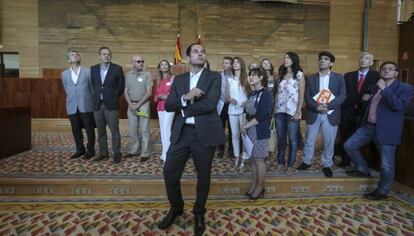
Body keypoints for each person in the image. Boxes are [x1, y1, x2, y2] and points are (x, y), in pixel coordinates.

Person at [157, 43, 225, 236]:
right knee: (169, 172)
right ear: (188, 57)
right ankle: (176, 207)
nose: (200, 54)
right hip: (182, 133)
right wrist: (186, 97)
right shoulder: (179, 80)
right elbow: (169, 105)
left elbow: (210, 104)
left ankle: (199, 212)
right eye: (196, 51)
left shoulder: (214, 77)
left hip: (204, 134)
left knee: (203, 177)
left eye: (203, 51)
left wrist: (183, 108)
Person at [344, 61, 413, 200]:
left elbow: (398, 106)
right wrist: (365, 100)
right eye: (384, 69)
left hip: (387, 130)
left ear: (396, 73)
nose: (386, 71)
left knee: (386, 164)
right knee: (349, 145)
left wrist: (385, 89)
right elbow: (371, 105)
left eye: (390, 69)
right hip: (369, 127)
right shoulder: (374, 87)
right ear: (380, 72)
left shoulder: (405, 88)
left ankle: (382, 191)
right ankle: (362, 169)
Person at [298, 51, 346, 178]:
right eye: (320, 59)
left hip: (331, 113)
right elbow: (307, 96)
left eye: (325, 59)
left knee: (329, 141)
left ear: (331, 63)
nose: (322, 61)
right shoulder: (312, 78)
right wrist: (316, 107)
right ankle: (306, 161)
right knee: (309, 139)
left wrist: (328, 106)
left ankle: (327, 164)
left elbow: (342, 95)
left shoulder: (339, 77)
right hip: (314, 112)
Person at [336, 52, 379, 167]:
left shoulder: (376, 76)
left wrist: (367, 97)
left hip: (364, 113)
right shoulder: (348, 75)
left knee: (359, 138)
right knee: (344, 136)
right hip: (347, 111)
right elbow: (344, 93)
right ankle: (345, 161)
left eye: (366, 58)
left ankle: (362, 163)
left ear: (371, 62)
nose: (363, 60)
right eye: (361, 58)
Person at [91, 47, 125, 164]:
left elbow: (121, 87)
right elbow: (93, 86)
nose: (106, 56)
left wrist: (113, 97)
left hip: (111, 105)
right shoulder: (93, 69)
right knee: (100, 131)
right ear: (99, 56)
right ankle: (103, 153)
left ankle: (117, 153)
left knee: (114, 131)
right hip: (97, 105)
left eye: (108, 54)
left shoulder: (117, 69)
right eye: (104, 54)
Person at [241, 68, 272, 200]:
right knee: (253, 159)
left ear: (261, 77)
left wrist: (246, 125)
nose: (251, 78)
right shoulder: (252, 93)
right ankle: (254, 184)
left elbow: (262, 114)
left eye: (254, 76)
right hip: (250, 129)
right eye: (250, 75)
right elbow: (247, 111)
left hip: (259, 129)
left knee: (259, 159)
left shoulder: (266, 93)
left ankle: (260, 187)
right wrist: (245, 125)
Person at [274, 52, 305, 176]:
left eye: (288, 57)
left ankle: (290, 165)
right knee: (281, 138)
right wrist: (273, 111)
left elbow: (301, 94)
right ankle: (280, 162)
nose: (285, 59)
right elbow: (277, 93)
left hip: (293, 111)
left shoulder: (299, 75)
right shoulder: (281, 75)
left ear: (293, 60)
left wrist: (298, 111)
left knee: (292, 139)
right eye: (284, 57)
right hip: (280, 110)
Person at [61, 51, 95, 160]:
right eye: (72, 55)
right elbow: (67, 89)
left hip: (86, 105)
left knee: (89, 129)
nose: (75, 55)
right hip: (72, 106)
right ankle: (80, 149)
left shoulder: (88, 71)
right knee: (75, 129)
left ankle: (90, 151)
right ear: (68, 60)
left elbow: (92, 89)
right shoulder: (64, 74)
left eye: (77, 54)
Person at [124, 54, 152, 162]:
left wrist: (138, 105)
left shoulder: (147, 74)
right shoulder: (127, 75)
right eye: (138, 61)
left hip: (143, 105)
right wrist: (131, 104)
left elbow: (149, 93)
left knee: (144, 129)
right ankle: (134, 150)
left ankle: (145, 153)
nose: (141, 63)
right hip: (131, 105)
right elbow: (125, 91)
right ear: (133, 63)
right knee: (133, 129)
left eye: (142, 61)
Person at [227, 56, 250, 168]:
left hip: (243, 110)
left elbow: (251, 95)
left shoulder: (246, 79)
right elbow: (227, 95)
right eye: (234, 63)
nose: (235, 64)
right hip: (232, 109)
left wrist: (247, 101)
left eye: (237, 62)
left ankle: (245, 157)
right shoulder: (229, 79)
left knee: (244, 134)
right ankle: (236, 156)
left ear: (241, 64)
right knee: (234, 134)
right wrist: (230, 99)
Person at [154, 59, 175, 162]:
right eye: (162, 65)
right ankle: (164, 152)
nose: (164, 66)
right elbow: (155, 96)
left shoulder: (172, 78)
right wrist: (159, 96)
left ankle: (169, 154)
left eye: (166, 64)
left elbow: (175, 93)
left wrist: (167, 96)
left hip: (169, 106)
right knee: (163, 130)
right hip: (160, 106)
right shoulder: (158, 80)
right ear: (159, 68)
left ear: (168, 67)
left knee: (167, 129)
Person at [216, 57, 234, 158]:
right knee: (220, 128)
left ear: (231, 65)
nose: (224, 65)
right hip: (221, 104)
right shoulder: (219, 76)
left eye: (227, 63)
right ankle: (221, 149)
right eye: (224, 63)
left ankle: (232, 150)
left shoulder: (235, 77)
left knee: (232, 128)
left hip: (231, 105)